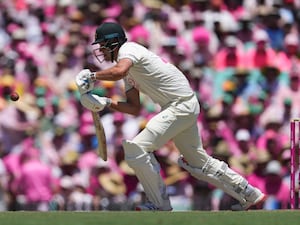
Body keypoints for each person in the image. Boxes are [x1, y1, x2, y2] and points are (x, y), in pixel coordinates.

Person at [75, 22, 266, 211]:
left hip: (179, 105)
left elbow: (118, 72)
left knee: (136, 149)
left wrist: (91, 77)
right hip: (181, 105)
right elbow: (134, 108)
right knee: (198, 162)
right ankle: (249, 193)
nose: (100, 50)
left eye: (101, 45)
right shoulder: (127, 70)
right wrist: (106, 103)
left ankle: (159, 204)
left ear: (113, 42)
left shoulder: (129, 50)